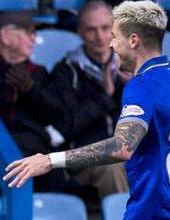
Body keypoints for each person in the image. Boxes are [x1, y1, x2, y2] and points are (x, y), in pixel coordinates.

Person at [3, 1, 170, 219]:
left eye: (114, 36)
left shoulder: (141, 84)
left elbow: (122, 147)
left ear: (133, 40)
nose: (111, 44)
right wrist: (158, 170)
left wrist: (49, 160)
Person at [0, 12, 65, 192]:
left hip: (33, 146)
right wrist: (4, 90)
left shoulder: (38, 72)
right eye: (29, 32)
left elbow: (55, 114)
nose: (34, 39)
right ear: (6, 35)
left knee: (51, 166)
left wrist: (30, 90)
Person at [50, 0, 129, 201]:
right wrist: (102, 96)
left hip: (129, 152)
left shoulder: (131, 65)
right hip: (85, 159)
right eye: (91, 30)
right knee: (112, 165)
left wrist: (132, 87)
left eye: (105, 28)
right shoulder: (65, 71)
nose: (100, 37)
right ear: (80, 32)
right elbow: (65, 127)